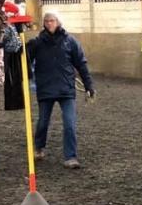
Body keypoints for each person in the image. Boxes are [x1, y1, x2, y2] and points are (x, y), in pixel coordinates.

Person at [26, 12, 96, 168]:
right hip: (46, 89)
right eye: (47, 21)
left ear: (58, 22)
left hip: (66, 89)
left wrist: (88, 85)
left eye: (52, 21)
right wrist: (20, 46)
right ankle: (39, 147)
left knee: (70, 123)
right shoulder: (37, 43)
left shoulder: (70, 41)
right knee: (43, 122)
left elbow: (81, 65)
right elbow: (24, 59)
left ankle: (71, 157)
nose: (49, 23)